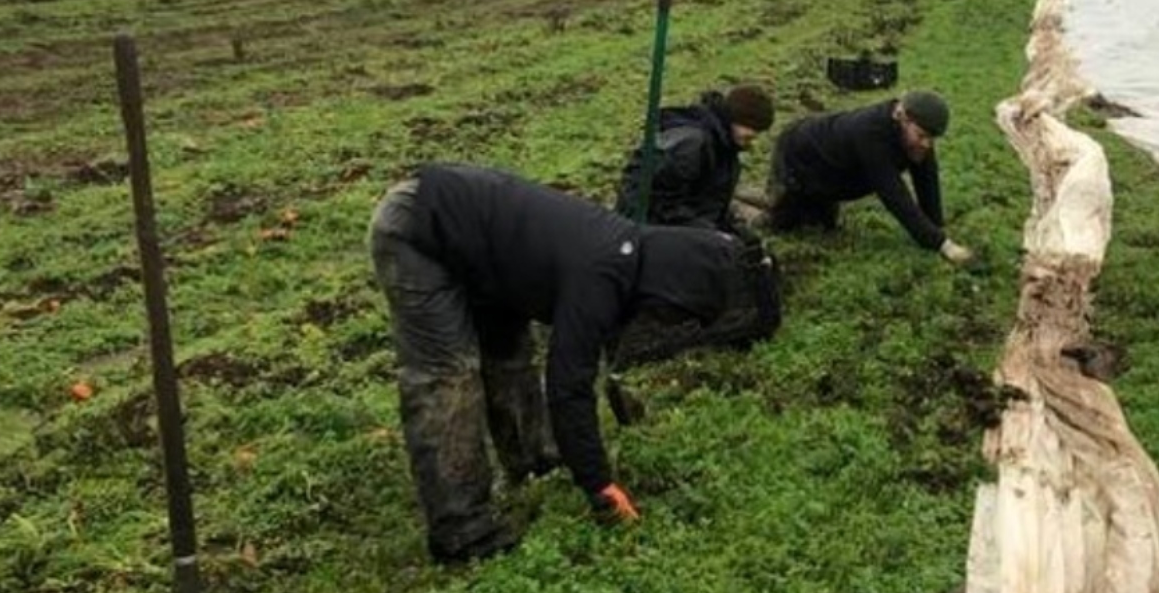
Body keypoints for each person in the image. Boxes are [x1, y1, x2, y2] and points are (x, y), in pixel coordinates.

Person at [368, 161, 751, 563]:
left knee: (509, 356)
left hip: (487, 252)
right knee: (448, 378)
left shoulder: (631, 256)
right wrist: (599, 484)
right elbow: (570, 387)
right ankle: (461, 530)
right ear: (674, 286)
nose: (669, 322)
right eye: (678, 313)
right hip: (420, 227)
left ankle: (532, 461)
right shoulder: (601, 275)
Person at [766, 90, 973, 264]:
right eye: (921, 136)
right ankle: (743, 202)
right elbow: (894, 194)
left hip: (837, 175)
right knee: (780, 224)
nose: (927, 144)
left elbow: (926, 179)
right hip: (798, 156)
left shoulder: (915, 132)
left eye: (931, 139)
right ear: (902, 117)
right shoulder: (870, 134)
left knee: (822, 226)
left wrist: (936, 226)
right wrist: (941, 244)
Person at [615, 84, 774, 229]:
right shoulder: (691, 146)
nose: (753, 137)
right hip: (650, 230)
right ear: (734, 118)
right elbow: (660, 205)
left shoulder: (723, 145)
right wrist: (708, 234)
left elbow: (711, 200)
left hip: (687, 221)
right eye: (751, 128)